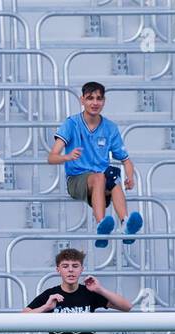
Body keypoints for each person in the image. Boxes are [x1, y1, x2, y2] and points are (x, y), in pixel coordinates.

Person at [49, 81, 143, 247]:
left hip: (100, 181)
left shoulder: (110, 127)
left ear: (104, 101)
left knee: (114, 177)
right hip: (77, 179)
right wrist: (68, 156)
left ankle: (125, 225)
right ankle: (101, 227)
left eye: (99, 99)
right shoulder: (71, 124)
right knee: (100, 177)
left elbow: (126, 160)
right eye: (90, 98)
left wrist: (130, 177)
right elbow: (52, 157)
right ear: (82, 100)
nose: (95, 103)